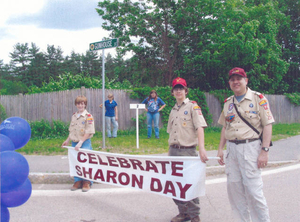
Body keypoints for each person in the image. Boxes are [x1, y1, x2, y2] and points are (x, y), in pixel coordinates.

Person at [217, 67, 274, 222]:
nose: (236, 82)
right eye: (232, 79)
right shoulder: (228, 103)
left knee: (254, 191)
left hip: (250, 148)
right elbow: (225, 127)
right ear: (229, 82)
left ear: (246, 81)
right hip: (232, 150)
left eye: (239, 79)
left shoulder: (258, 99)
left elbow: (267, 125)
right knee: (234, 192)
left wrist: (265, 151)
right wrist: (220, 149)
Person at [167, 77, 208, 222]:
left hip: (188, 151)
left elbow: (200, 128)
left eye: (181, 88)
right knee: (174, 184)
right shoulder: (173, 110)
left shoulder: (192, 107)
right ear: (172, 92)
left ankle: (194, 215)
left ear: (186, 90)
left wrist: (201, 148)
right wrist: (169, 152)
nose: (178, 91)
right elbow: (171, 133)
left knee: (189, 184)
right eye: (176, 88)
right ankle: (183, 212)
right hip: (174, 151)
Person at [62, 95, 95, 192]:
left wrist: (80, 143)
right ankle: (78, 181)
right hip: (74, 143)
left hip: (84, 143)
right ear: (76, 105)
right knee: (75, 162)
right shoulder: (74, 116)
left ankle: (87, 182)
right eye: (78, 103)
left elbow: (89, 131)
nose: (80, 105)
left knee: (85, 163)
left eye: (82, 104)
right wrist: (67, 140)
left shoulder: (88, 116)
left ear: (85, 105)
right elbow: (72, 130)